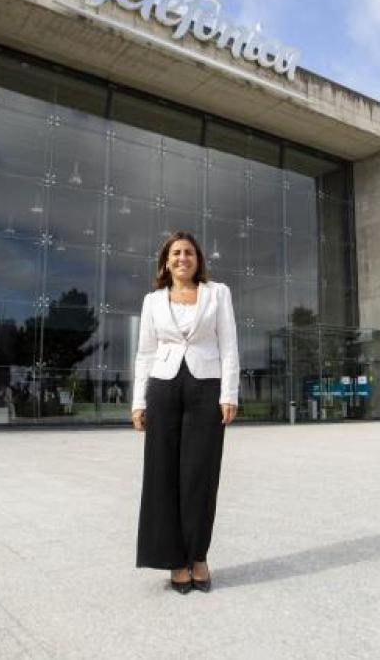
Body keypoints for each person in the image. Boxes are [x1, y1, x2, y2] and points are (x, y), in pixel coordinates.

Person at [131, 231, 239, 594]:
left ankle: (198, 557)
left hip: (206, 388)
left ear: (198, 259)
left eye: (188, 252)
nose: (182, 258)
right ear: (165, 261)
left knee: (200, 476)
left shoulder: (218, 293)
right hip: (163, 387)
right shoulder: (152, 301)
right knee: (162, 476)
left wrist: (229, 393)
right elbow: (145, 353)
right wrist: (139, 401)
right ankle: (174, 561)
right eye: (175, 253)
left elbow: (229, 346)